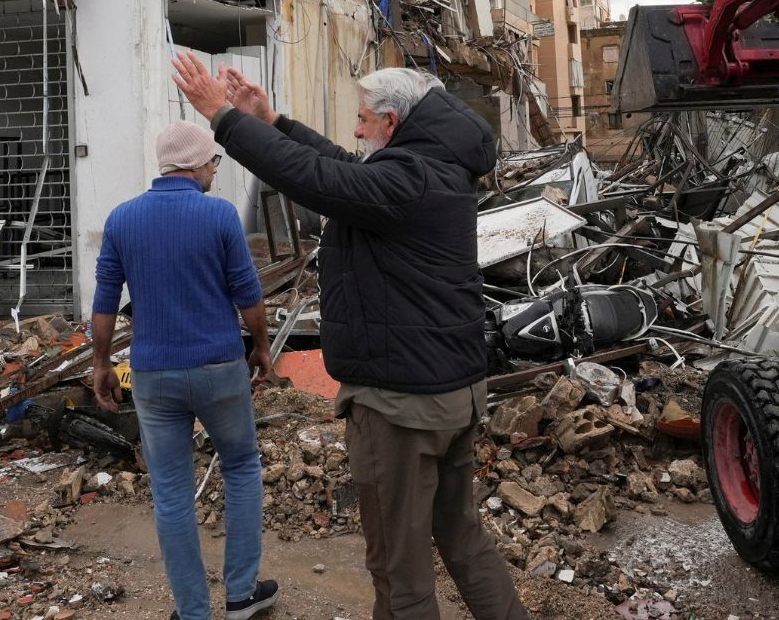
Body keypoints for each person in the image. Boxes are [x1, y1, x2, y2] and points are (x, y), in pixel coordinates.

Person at [171, 53, 530, 620]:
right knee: (462, 537)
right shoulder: (428, 167)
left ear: (392, 123)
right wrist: (273, 121)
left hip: (402, 406)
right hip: (448, 393)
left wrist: (223, 118)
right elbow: (342, 165)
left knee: (399, 573)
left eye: (364, 118)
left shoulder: (407, 179)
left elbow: (321, 178)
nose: (357, 129)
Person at [88, 120, 279, 620]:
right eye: (213, 161)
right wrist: (261, 348)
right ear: (195, 165)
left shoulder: (123, 219)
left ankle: (192, 611)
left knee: (171, 490)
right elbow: (248, 293)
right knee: (240, 467)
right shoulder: (218, 216)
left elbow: (105, 301)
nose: (215, 169)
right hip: (218, 367)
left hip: (153, 375)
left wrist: (102, 362)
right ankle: (241, 594)